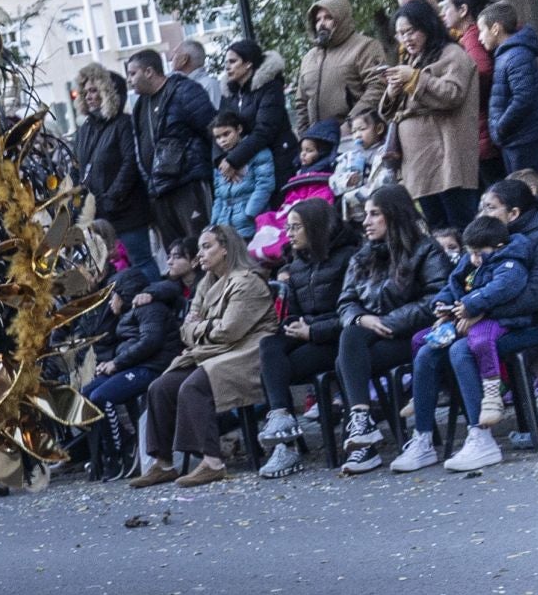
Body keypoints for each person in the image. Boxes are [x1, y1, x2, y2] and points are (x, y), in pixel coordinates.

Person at [130, 225, 277, 487]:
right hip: (213, 352)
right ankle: (163, 463)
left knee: (194, 386)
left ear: (226, 249)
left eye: (207, 246)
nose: (200, 254)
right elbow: (184, 331)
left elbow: (230, 330)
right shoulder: (206, 283)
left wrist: (198, 327)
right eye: (199, 248)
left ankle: (212, 461)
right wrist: (200, 328)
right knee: (160, 387)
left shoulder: (248, 282)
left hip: (247, 353)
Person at [394, 213, 529, 472]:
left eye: (480, 253)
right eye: (471, 253)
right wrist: (443, 307)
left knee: (460, 350)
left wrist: (472, 307)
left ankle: (481, 435)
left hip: (505, 323)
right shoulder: (473, 260)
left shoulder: (512, 262)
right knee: (425, 350)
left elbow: (503, 289)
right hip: (465, 318)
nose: (474, 258)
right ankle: (422, 438)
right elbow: (453, 283)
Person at [334, 183, 451, 472]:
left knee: (345, 359)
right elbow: (346, 302)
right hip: (371, 337)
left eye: (374, 214)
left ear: (394, 215)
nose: (366, 222)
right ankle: (362, 427)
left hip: (413, 334)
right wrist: (363, 319)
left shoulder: (426, 250)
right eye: (366, 215)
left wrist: (388, 322)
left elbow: (436, 298)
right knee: (350, 344)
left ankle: (364, 443)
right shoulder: (363, 255)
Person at [257, 199, 358, 477]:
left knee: (274, 368)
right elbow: (295, 314)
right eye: (287, 227)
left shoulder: (349, 257)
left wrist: (312, 330)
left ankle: (286, 446)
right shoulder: (298, 264)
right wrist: (294, 326)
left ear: (315, 227)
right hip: (309, 335)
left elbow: (354, 313)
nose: (289, 234)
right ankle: (281, 426)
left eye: (296, 227)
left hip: (340, 341)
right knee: (269, 347)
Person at [379, 0, 481, 228]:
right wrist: (394, 90)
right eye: (400, 33)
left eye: (411, 31)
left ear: (427, 26)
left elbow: (452, 94)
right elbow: (390, 113)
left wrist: (414, 78)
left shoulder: (452, 53)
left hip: (448, 162)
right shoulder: (412, 59)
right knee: (438, 231)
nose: (406, 38)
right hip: (419, 166)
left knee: (462, 227)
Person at [471, 178, 538, 425]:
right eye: (482, 207)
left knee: (466, 349)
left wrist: (485, 309)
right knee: (444, 347)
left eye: (490, 208)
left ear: (513, 213)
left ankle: (483, 435)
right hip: (508, 319)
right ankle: (474, 433)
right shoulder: (490, 237)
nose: (482, 214)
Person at [88, 268, 181, 475]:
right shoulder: (126, 313)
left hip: (152, 367)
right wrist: (111, 362)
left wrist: (117, 364)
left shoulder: (148, 308)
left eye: (114, 295)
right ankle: (118, 446)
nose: (111, 301)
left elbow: (151, 341)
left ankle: (122, 452)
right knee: (87, 394)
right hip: (133, 365)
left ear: (124, 293)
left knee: (102, 397)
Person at [73, 64, 157, 280]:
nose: (89, 96)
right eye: (86, 91)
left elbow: (130, 162)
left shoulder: (123, 123)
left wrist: (113, 196)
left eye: (94, 90)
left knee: (140, 260)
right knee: (108, 265)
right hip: (98, 210)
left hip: (126, 209)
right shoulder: (85, 128)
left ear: (108, 92)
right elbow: (79, 166)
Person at [129, 48, 217, 250]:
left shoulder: (184, 90)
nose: (130, 80)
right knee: (177, 254)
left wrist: (223, 163)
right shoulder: (140, 105)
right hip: (160, 190)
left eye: (133, 73)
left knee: (202, 245)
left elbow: (212, 128)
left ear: (149, 72)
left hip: (188, 184)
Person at [247, 120, 340, 265]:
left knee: (290, 227)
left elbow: (322, 199)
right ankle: (266, 252)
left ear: (323, 151)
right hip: (292, 209)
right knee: (266, 218)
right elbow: (291, 197)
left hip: (307, 210)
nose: (303, 155)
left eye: (309, 151)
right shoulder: (299, 174)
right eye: (302, 150)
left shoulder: (326, 175)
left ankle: (280, 250)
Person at [296, 0, 387, 133]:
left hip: (356, 137)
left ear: (341, 19)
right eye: (318, 20)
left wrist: (351, 124)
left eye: (328, 18)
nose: (322, 24)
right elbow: (301, 101)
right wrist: (305, 135)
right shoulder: (309, 58)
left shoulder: (365, 46)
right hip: (318, 142)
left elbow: (378, 86)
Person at [480, 2, 538, 175]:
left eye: (482, 30)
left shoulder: (516, 55)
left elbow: (524, 97)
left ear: (495, 28)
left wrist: (501, 128)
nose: (480, 37)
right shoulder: (507, 54)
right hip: (516, 137)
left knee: (522, 192)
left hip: (523, 137)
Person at [220, 40, 298, 188]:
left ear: (248, 63)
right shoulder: (231, 94)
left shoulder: (271, 87)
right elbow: (219, 126)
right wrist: (222, 160)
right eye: (226, 62)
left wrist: (233, 159)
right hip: (252, 164)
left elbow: (265, 129)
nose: (227, 67)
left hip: (279, 159)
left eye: (233, 61)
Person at [443, 0, 500, 185]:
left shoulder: (473, 36)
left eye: (447, 7)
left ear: (463, 10)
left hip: (484, 131)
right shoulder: (472, 34)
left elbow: (482, 71)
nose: (444, 13)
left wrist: (462, 96)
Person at [210, 109, 275, 232]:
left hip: (251, 221)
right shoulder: (220, 161)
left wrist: (249, 213)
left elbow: (265, 185)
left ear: (239, 129)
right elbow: (218, 195)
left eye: (226, 134)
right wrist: (214, 221)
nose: (222, 140)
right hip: (225, 222)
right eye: (218, 137)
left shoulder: (258, 153)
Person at [331, 109, 398, 221]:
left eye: (362, 129)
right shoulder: (348, 156)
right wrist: (346, 181)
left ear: (379, 129)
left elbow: (386, 180)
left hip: (381, 210)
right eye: (354, 131)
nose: (357, 135)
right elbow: (333, 182)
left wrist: (354, 195)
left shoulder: (385, 153)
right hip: (355, 215)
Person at [172, 39, 224, 109]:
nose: (171, 58)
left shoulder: (209, 85)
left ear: (184, 59)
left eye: (175, 54)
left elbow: (215, 118)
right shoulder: (177, 85)